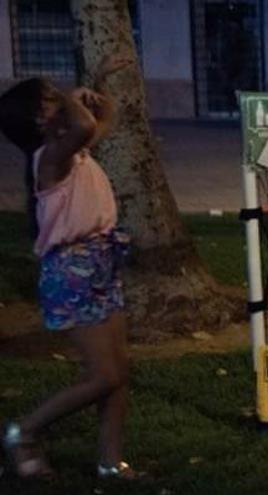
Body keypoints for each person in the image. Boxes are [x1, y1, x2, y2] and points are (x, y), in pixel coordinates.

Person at [0, 55, 140, 480]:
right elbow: (81, 126)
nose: (58, 101)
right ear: (39, 120)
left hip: (100, 261)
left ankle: (110, 462)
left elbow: (99, 124)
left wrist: (97, 98)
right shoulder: (48, 158)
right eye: (48, 100)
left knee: (117, 372)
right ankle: (23, 431)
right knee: (105, 373)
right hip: (73, 270)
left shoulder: (73, 153)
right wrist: (68, 99)